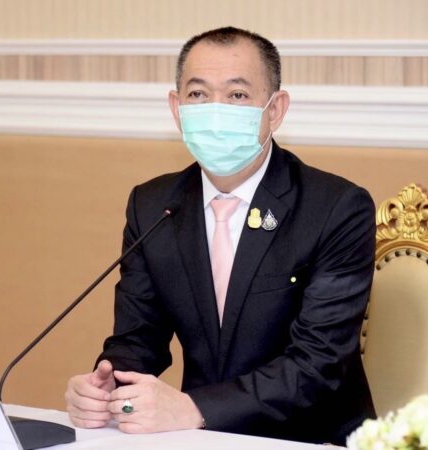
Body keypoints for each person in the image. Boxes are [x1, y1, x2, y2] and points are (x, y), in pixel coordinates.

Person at [65, 26, 376, 445]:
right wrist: (108, 385)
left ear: (275, 110)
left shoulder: (336, 208)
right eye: (197, 94)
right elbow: (138, 338)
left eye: (237, 95)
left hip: (309, 437)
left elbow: (317, 363)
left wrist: (194, 408)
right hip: (200, 437)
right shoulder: (153, 205)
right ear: (176, 108)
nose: (215, 110)